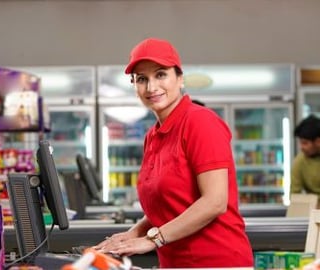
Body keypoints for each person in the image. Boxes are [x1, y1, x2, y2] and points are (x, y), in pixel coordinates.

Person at [94, 38, 253, 268]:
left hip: (216, 262)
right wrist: (134, 233)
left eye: (160, 75)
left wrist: (152, 240)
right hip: (176, 262)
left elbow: (215, 201)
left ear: (180, 79)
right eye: (141, 79)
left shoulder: (200, 122)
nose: (151, 87)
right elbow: (169, 205)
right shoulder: (153, 136)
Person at [290, 114, 320, 204]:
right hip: (313, 213)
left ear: (318, 141)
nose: (301, 147)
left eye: (305, 143)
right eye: (300, 143)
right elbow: (294, 195)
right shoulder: (300, 162)